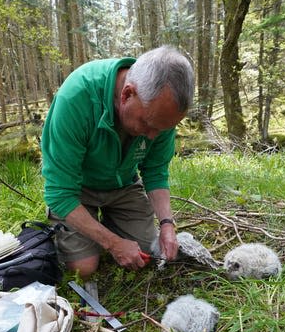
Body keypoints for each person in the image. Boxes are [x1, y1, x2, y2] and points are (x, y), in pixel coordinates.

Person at [41, 45, 194, 279]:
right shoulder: (75, 99)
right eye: (148, 125)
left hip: (123, 184)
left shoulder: (161, 113)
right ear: (127, 94)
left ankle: (109, 224)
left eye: (163, 129)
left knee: (147, 252)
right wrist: (113, 244)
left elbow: (155, 171)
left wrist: (167, 224)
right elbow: (59, 193)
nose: (153, 136)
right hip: (77, 191)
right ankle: (92, 228)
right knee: (84, 268)